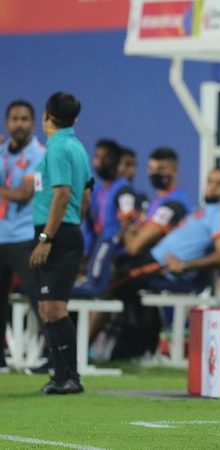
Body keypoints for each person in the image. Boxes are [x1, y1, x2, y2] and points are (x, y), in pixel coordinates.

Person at [106, 167, 220, 356]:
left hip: (162, 268)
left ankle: (87, 349)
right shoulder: (200, 212)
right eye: (210, 181)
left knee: (108, 283)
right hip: (150, 260)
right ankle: (138, 348)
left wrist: (184, 266)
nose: (212, 187)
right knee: (115, 274)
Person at [30, 92, 92, 394]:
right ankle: (60, 375)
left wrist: (47, 238)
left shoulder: (56, 148)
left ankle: (71, 377)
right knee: (47, 308)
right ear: (74, 119)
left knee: (54, 308)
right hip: (66, 230)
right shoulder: (77, 147)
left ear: (46, 115)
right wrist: (75, 221)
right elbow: (87, 193)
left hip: (56, 233)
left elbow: (63, 194)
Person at [0, 100, 46, 372]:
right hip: (1, 234)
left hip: (25, 235)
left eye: (24, 119)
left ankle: (53, 356)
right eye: (14, 118)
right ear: (7, 123)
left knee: (38, 297)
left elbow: (23, 194)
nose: (19, 124)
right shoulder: (2, 152)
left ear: (33, 123)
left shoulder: (39, 155)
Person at [74, 139, 138, 296]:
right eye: (97, 157)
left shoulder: (124, 190)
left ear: (117, 161)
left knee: (97, 290)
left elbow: (128, 223)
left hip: (115, 256)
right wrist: (85, 256)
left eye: (106, 157)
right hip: (98, 251)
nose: (101, 162)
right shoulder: (95, 192)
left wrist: (113, 243)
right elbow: (89, 228)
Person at [121, 147, 190, 257]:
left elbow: (134, 246)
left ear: (175, 170)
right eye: (151, 168)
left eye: (161, 168)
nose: (154, 173)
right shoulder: (155, 201)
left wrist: (126, 222)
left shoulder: (175, 203)